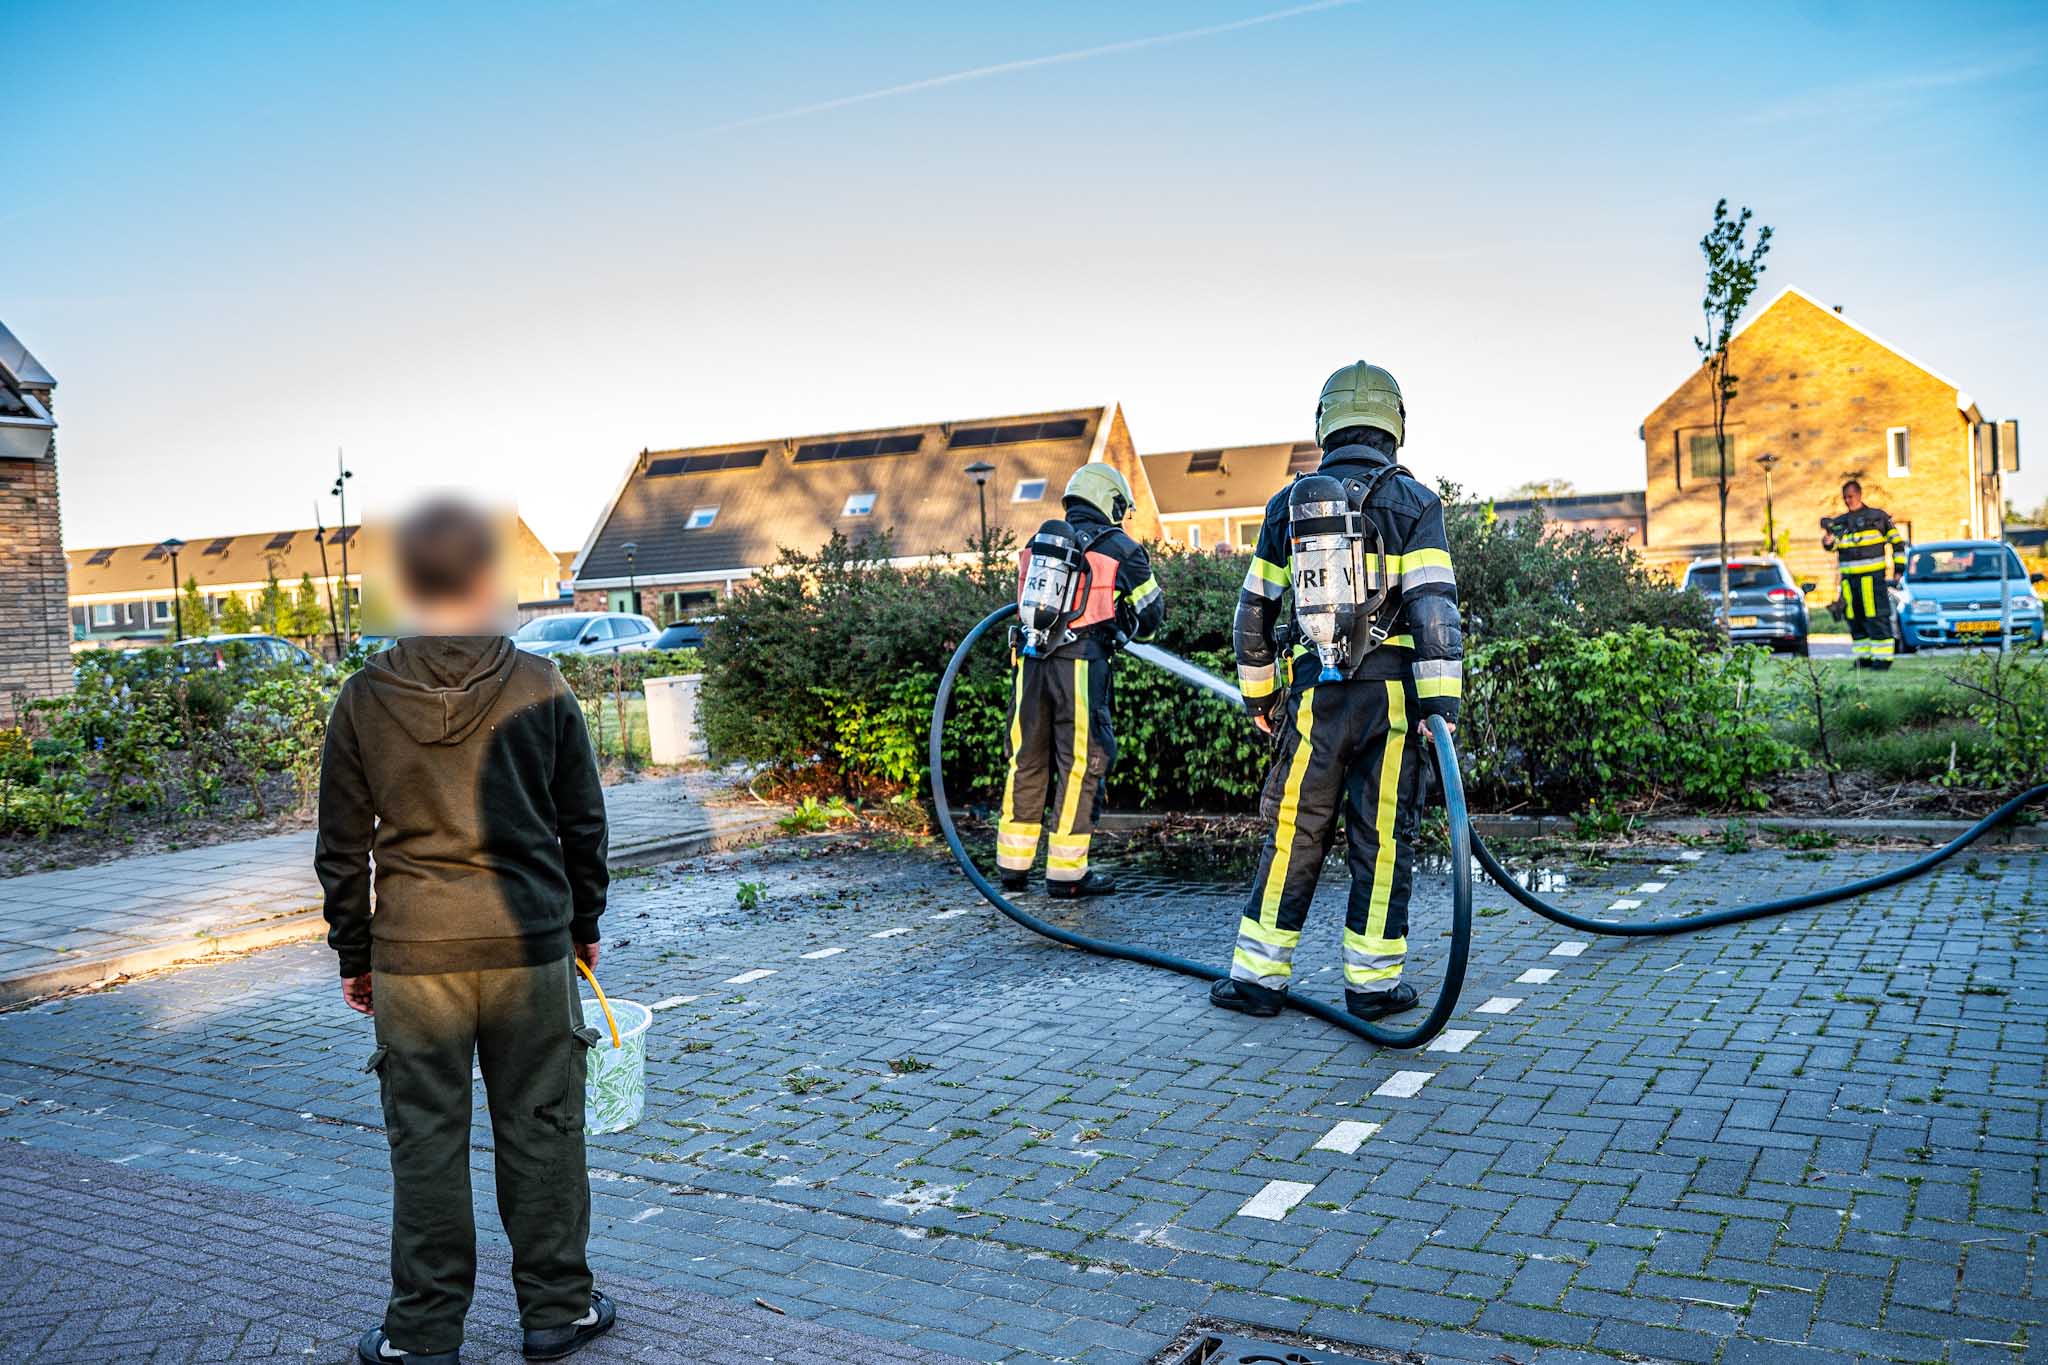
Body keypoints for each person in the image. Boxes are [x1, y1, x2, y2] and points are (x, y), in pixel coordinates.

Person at [318, 498, 616, 1365]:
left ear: (408, 582)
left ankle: (422, 1333)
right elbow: (583, 824)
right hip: (530, 947)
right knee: (544, 1127)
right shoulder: (540, 685)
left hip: (416, 961)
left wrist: (357, 952)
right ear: (486, 580)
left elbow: (341, 849)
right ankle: (557, 1309)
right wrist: (583, 924)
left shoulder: (364, 699)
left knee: (427, 1143)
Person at [1210, 361, 1463, 1023]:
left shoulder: (1286, 506)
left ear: (1324, 424)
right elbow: (1435, 612)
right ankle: (1373, 987)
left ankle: (1257, 980)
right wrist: (1442, 713)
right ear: (1394, 425)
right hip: (1392, 702)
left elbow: (1254, 613)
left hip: (1315, 696)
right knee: (1381, 839)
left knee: (1294, 833)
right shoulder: (1417, 504)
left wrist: (1260, 699)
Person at [996, 463, 1165, 897]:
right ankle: (1067, 875)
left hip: (1030, 664)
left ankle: (1012, 869)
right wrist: (1127, 623)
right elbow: (1152, 615)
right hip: (1079, 666)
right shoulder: (1120, 548)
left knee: (1027, 760)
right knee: (1080, 765)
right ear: (1110, 502)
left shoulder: (1040, 544)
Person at [1820, 480, 1905, 668]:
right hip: (1849, 581)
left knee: (1876, 617)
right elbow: (1832, 546)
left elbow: (1898, 544)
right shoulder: (1840, 523)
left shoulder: (1878, 518)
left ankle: (1882, 660)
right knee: (1854, 620)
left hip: (1872, 579)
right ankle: (1864, 659)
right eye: (1845, 498)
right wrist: (1828, 541)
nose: (1848, 501)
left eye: (1850, 497)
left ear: (1859, 495)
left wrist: (1899, 570)